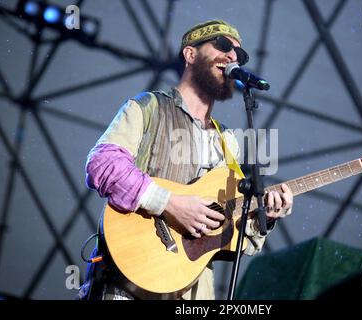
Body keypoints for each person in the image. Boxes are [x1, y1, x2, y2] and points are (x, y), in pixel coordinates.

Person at [78, 19, 293, 300]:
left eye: (238, 54)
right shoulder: (149, 107)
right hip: (128, 283)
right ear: (190, 54)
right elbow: (102, 166)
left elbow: (231, 233)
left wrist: (263, 215)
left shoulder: (227, 142)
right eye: (223, 45)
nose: (232, 56)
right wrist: (169, 203)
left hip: (191, 291)